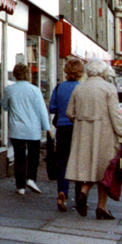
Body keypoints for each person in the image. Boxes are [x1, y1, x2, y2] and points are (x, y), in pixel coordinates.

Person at [66, 59, 122, 219]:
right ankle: (102, 207)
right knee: (105, 171)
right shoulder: (108, 88)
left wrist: (81, 122)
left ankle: (83, 192)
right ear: (103, 72)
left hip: (83, 134)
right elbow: (115, 115)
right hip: (105, 134)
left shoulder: (79, 88)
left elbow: (69, 112)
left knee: (88, 167)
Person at [2, 62, 50, 195]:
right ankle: (31, 179)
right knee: (33, 155)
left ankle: (20, 187)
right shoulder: (35, 90)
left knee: (19, 157)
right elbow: (42, 111)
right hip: (33, 129)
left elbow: (4, 106)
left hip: (17, 129)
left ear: (15, 74)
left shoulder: (9, 89)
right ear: (28, 74)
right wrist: (47, 128)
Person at [49, 58, 83, 212]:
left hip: (62, 129)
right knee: (79, 163)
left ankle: (62, 192)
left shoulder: (58, 87)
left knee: (62, 162)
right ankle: (79, 197)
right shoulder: (82, 88)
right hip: (78, 128)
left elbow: (52, 108)